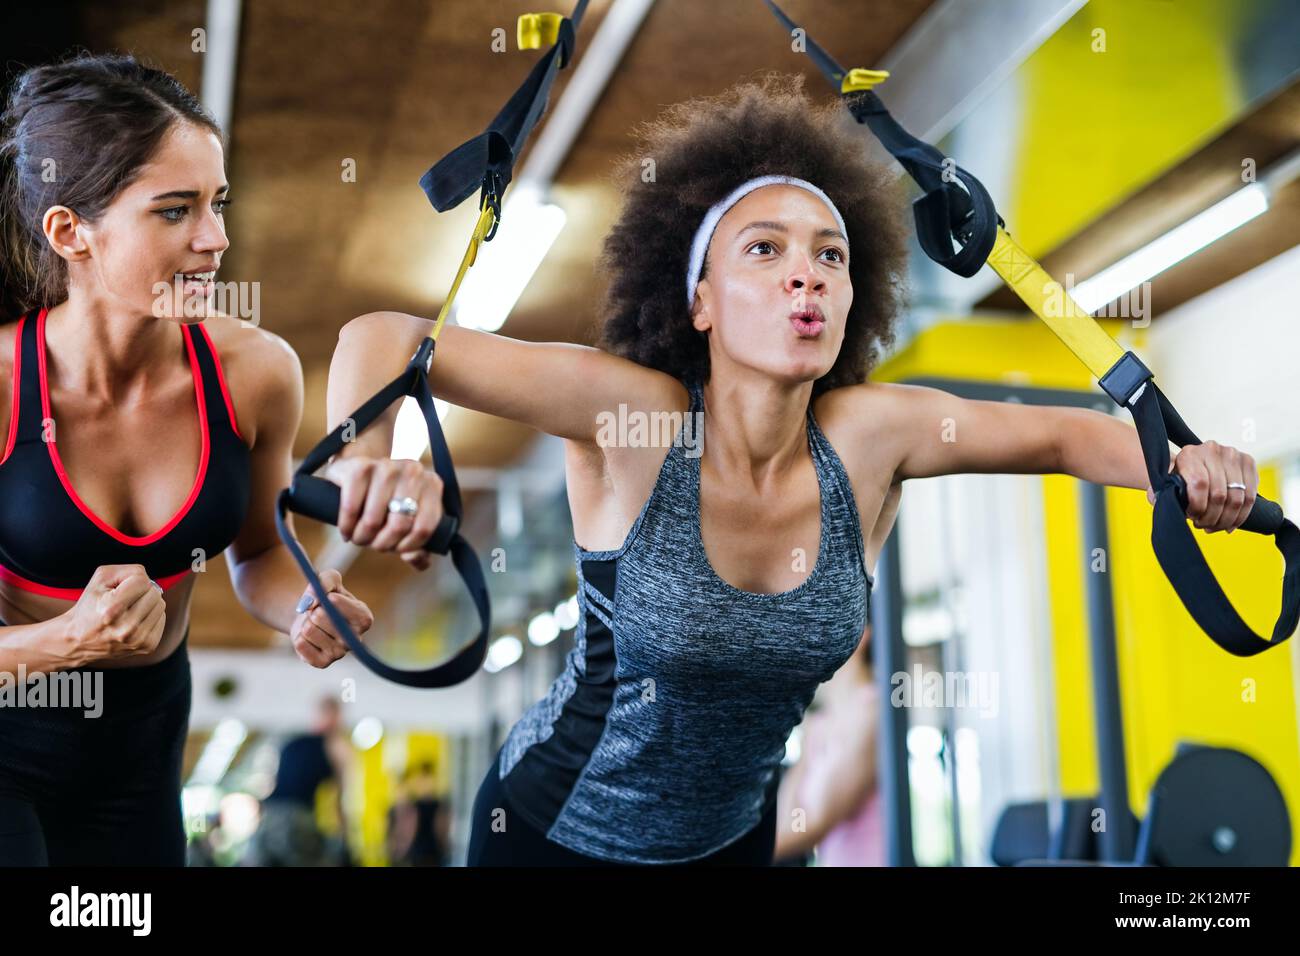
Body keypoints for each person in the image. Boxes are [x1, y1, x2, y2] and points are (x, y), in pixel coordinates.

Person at [322, 76, 1260, 866]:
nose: (802, 275)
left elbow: (1063, 438)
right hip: (553, 836)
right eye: (762, 251)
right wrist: (364, 470)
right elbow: (385, 340)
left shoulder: (870, 437)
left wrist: (1184, 466)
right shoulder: (635, 418)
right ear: (699, 299)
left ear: (854, 295)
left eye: (829, 255)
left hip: (733, 845)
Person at [0, 53, 382, 866]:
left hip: (143, 740)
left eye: (218, 204)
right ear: (71, 232)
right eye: (175, 211)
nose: (217, 239)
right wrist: (65, 641)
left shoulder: (256, 372)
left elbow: (260, 554)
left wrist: (306, 605)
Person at [774, 625, 883, 866]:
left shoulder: (872, 712)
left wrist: (736, 854)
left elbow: (812, 824)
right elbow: (793, 821)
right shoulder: (820, 724)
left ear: (861, 635)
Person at [243, 697, 353, 866]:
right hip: (296, 819)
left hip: (270, 816)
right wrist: (345, 835)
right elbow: (341, 798)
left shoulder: (292, 743)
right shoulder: (336, 746)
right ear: (338, 716)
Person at [386, 759, 451, 867]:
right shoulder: (424, 804)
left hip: (422, 853)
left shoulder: (424, 805)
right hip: (426, 853)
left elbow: (440, 827)